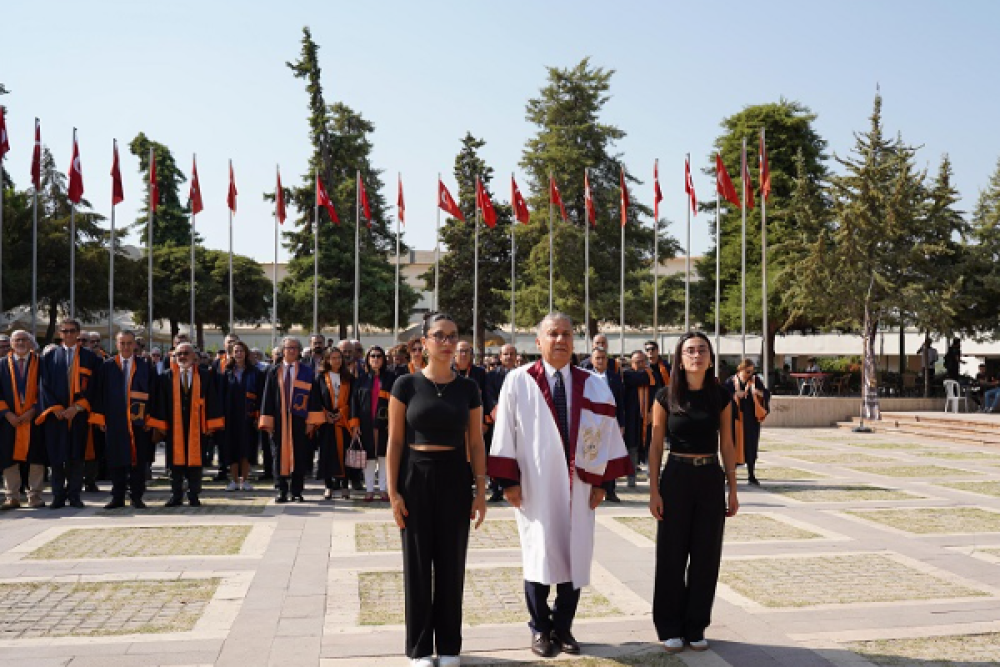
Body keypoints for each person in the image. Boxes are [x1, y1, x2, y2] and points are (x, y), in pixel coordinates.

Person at [489, 312, 631, 658]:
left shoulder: (594, 383)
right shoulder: (518, 380)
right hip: (535, 483)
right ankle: (540, 628)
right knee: (539, 553)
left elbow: (607, 434)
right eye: (552, 334)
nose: (560, 340)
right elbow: (505, 430)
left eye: (567, 333)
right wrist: (508, 481)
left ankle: (563, 627)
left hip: (581, 485)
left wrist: (602, 482)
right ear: (538, 342)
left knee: (575, 555)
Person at [386, 312, 487, 667]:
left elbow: (475, 443)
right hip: (415, 477)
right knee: (416, 564)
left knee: (451, 564)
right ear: (424, 342)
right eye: (439, 336)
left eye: (452, 336)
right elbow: (395, 442)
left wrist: (480, 489)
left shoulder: (469, 389)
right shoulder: (406, 385)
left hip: (456, 478)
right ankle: (418, 650)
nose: (446, 343)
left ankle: (448, 648)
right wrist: (393, 493)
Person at [648, 332, 738, 653]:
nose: (696, 355)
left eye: (702, 350)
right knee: (672, 554)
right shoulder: (664, 396)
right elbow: (656, 444)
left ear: (710, 358)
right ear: (680, 358)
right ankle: (670, 625)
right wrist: (654, 490)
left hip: (710, 477)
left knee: (705, 555)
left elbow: (727, 444)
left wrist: (733, 488)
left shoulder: (721, 396)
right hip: (676, 477)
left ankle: (696, 625)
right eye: (690, 350)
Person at [148, 342, 225, 507]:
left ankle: (194, 495)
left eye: (186, 353)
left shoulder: (205, 376)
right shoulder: (166, 377)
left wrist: (211, 425)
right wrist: (161, 426)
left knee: (195, 463)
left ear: (194, 356)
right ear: (174, 357)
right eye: (179, 354)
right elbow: (160, 403)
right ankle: (176, 495)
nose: (182, 356)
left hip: (197, 426)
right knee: (174, 463)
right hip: (174, 426)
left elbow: (212, 400)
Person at [88, 331, 156, 509]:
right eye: (122, 343)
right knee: (116, 459)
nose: (126, 347)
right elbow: (99, 394)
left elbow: (153, 393)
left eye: (129, 343)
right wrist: (100, 419)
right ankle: (117, 497)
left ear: (135, 345)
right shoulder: (107, 367)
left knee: (138, 460)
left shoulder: (145, 366)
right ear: (116, 344)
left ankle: (137, 497)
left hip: (138, 421)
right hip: (114, 420)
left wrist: (150, 419)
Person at [37, 318, 99, 510]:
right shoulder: (49, 356)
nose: (69, 334)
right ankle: (57, 495)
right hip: (56, 415)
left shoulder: (90, 357)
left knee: (76, 457)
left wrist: (77, 407)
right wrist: (56, 408)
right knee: (57, 457)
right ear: (59, 333)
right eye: (65, 331)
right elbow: (43, 385)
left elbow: (95, 386)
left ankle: (74, 495)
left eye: (72, 331)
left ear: (78, 332)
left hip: (78, 415)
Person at [259, 337, 314, 502]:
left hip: (299, 419)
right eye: (288, 348)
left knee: (299, 454)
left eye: (295, 348)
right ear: (282, 350)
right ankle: (281, 489)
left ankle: (297, 490)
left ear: (299, 351)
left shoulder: (307, 371)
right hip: (279, 418)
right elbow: (267, 397)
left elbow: (313, 398)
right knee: (278, 454)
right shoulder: (273, 371)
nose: (291, 351)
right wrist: (267, 421)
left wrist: (311, 421)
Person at [0, 331, 45, 510]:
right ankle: (12, 497)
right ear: (11, 344)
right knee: (8, 458)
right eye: (16, 340)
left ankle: (35, 496)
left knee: (36, 457)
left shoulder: (41, 363)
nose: (20, 343)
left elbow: (45, 390)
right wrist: (7, 414)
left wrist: (34, 410)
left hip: (34, 418)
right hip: (9, 420)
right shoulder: (2, 364)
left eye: (24, 339)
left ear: (30, 342)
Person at [307, 347, 358, 500]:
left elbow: (353, 400)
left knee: (344, 455)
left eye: (339, 357)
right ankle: (329, 486)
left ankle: (344, 486)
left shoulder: (348, 378)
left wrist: (342, 412)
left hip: (343, 421)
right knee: (327, 454)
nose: (337, 360)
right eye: (333, 358)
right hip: (326, 422)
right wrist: (325, 413)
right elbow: (316, 399)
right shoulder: (320, 378)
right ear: (327, 360)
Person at [352, 345, 395, 502]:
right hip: (366, 424)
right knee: (369, 458)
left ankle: (383, 489)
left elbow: (396, 402)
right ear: (368, 360)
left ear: (383, 359)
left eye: (379, 356)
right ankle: (369, 490)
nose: (376, 359)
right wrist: (355, 424)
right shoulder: (361, 379)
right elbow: (354, 403)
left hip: (385, 424)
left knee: (384, 457)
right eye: (372, 356)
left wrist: (394, 422)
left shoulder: (391, 378)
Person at [586, 347, 627, 503]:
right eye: (597, 358)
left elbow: (621, 403)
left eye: (603, 358)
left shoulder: (614, 378)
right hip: (590, 424)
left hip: (610, 423)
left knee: (609, 457)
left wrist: (621, 424)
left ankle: (610, 491)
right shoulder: (585, 377)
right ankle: (591, 489)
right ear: (592, 360)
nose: (601, 361)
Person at [221, 341, 263, 491]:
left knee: (247, 448)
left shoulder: (255, 372)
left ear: (246, 353)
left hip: (248, 415)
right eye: (236, 351)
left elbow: (260, 395)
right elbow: (221, 395)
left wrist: (258, 415)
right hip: (230, 416)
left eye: (241, 351)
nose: (239, 354)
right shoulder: (226, 372)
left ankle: (244, 480)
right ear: (232, 353)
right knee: (232, 448)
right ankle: (233, 480)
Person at [725, 358, 770, 486]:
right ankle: (730, 475)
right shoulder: (731, 382)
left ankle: (751, 475)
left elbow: (767, 394)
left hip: (751, 420)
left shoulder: (755, 381)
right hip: (735, 420)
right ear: (741, 370)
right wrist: (734, 395)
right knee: (733, 447)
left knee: (751, 446)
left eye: (752, 371)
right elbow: (722, 395)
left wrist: (759, 393)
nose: (750, 374)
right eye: (747, 371)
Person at [484, 344, 517, 503]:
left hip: (518, 424)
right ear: (500, 356)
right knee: (496, 454)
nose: (509, 357)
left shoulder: (523, 375)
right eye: (505, 354)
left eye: (511, 354)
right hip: (498, 422)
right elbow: (489, 396)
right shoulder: (491, 376)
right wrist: (500, 413)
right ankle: (496, 489)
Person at [622, 350, 657, 490]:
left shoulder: (652, 375)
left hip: (649, 417)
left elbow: (658, 394)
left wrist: (652, 412)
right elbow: (638, 379)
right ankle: (631, 478)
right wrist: (646, 376)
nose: (641, 364)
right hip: (631, 418)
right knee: (632, 448)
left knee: (651, 447)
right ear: (631, 363)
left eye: (643, 361)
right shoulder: (627, 375)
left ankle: (652, 477)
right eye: (637, 362)